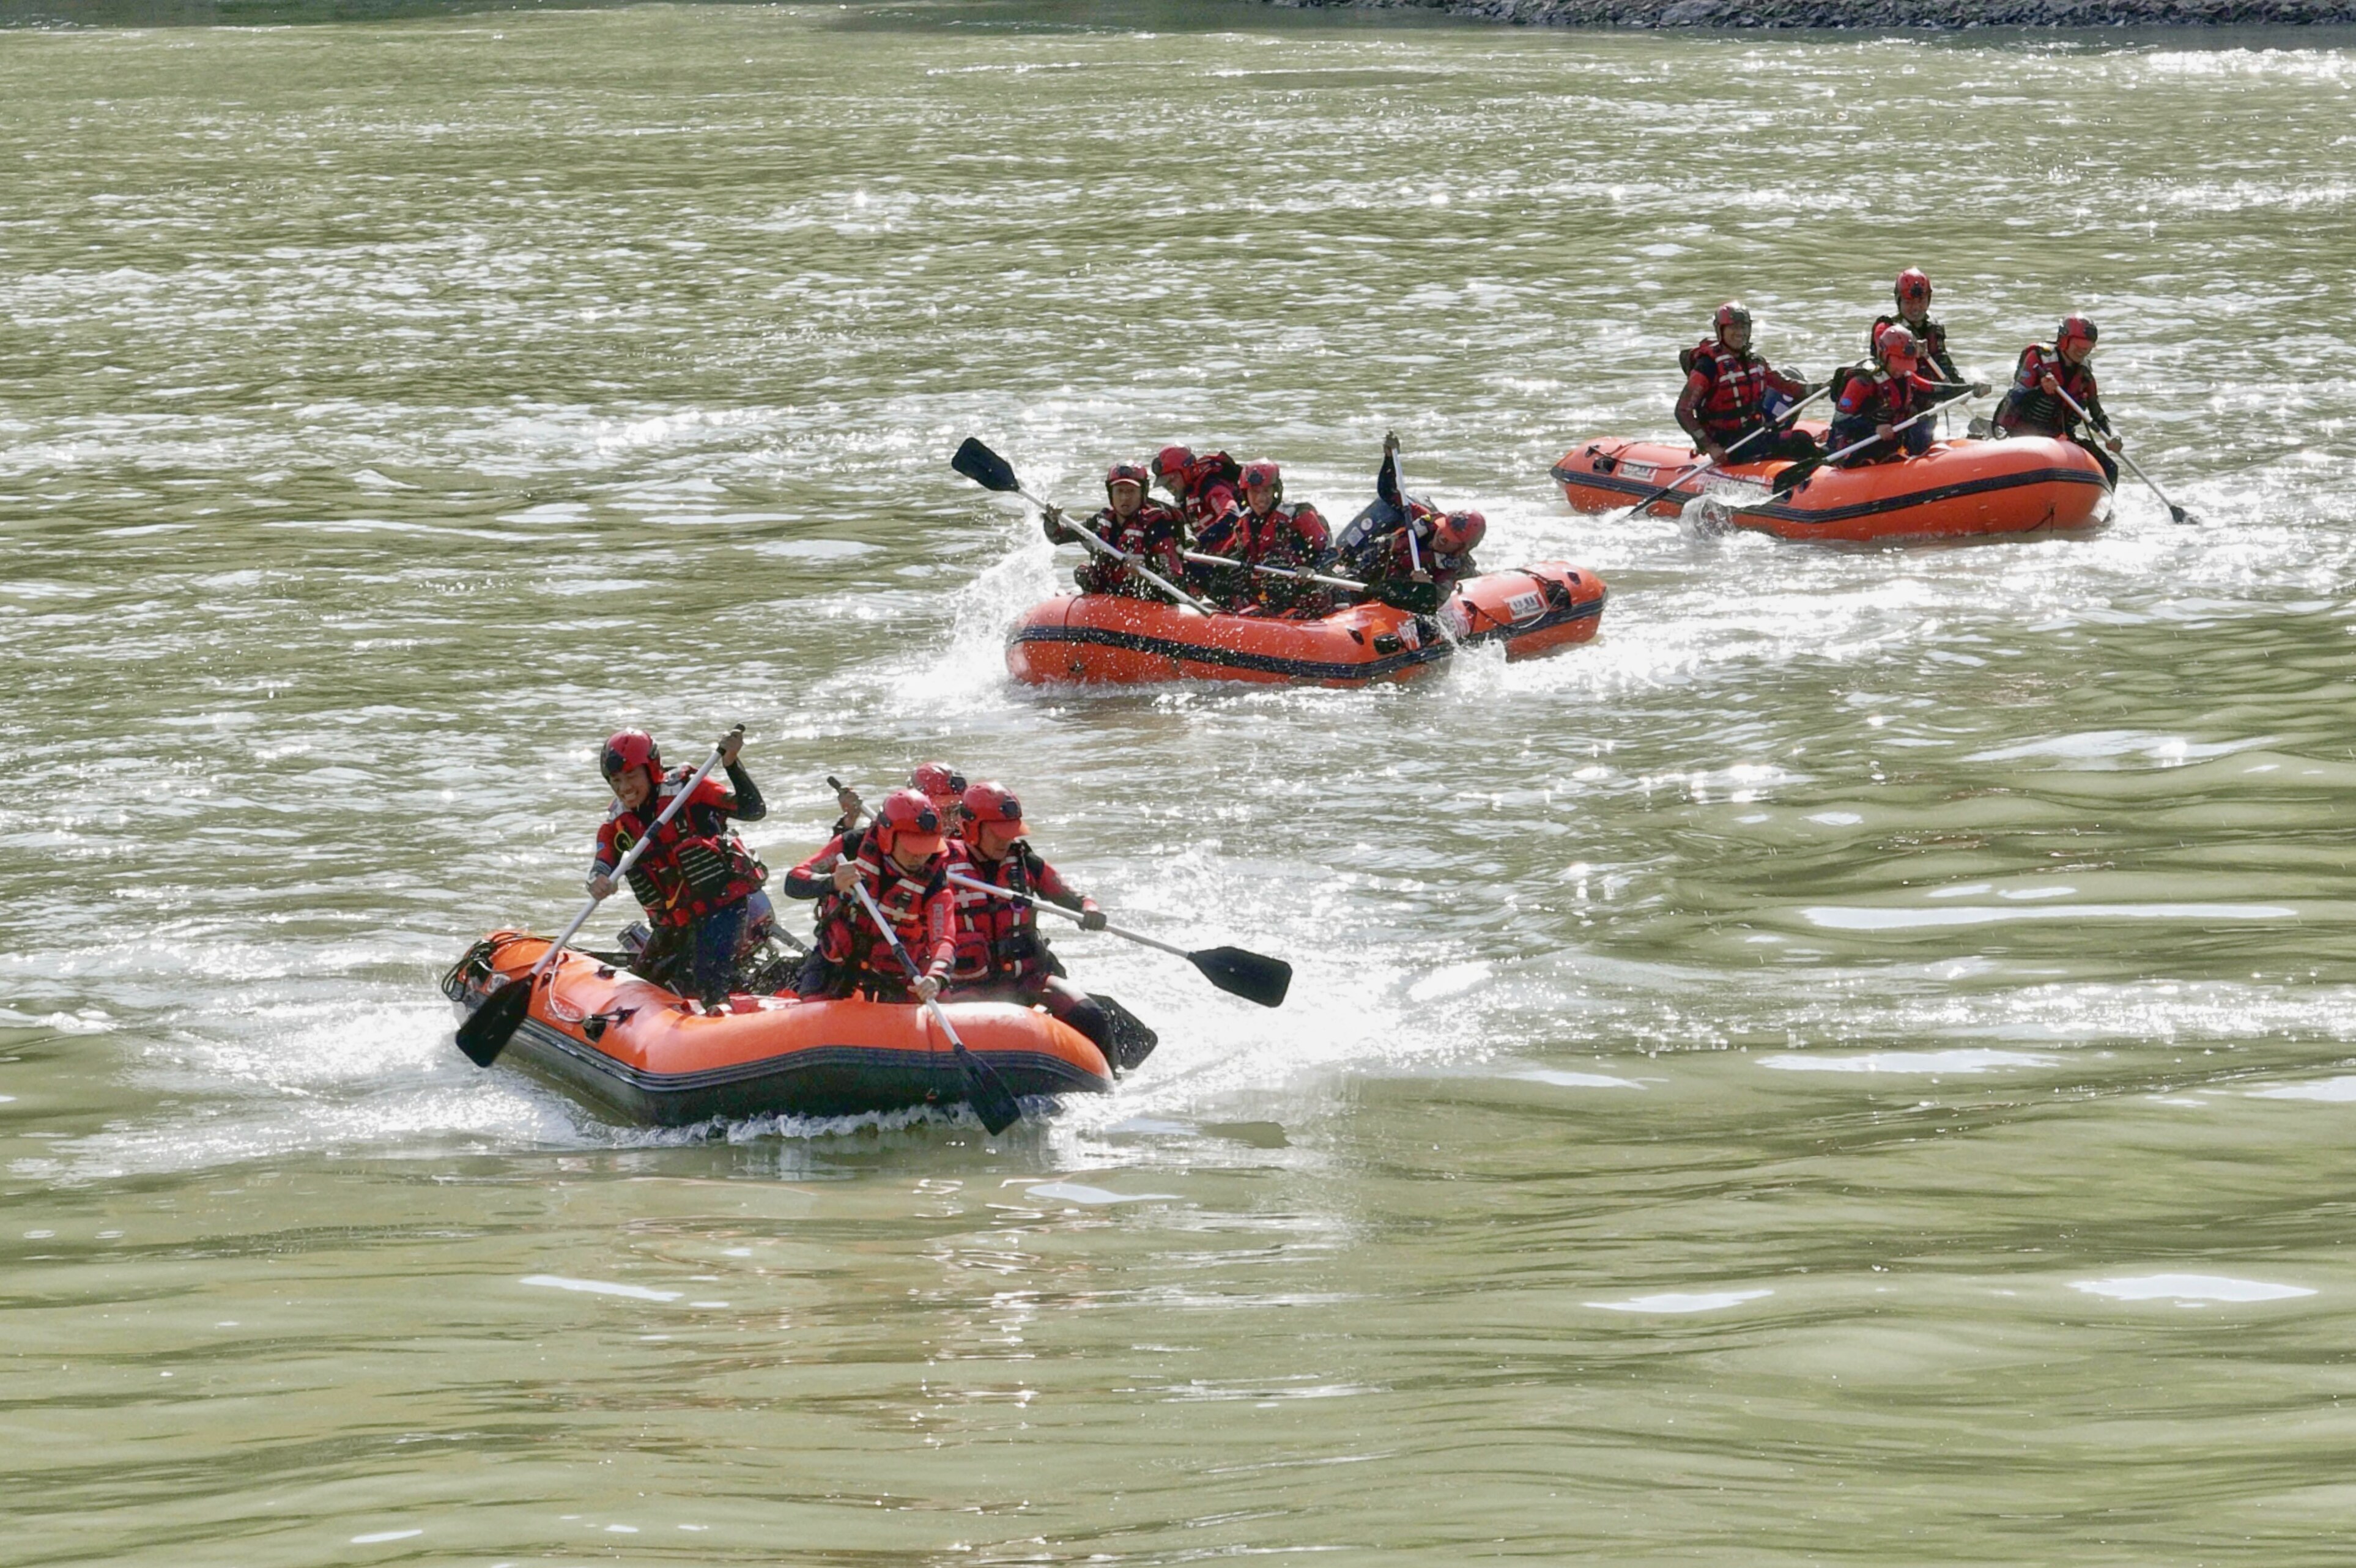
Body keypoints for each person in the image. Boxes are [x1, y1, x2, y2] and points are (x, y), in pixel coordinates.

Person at [943, 780, 1150, 1067]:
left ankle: (1109, 1077)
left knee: (1090, 1015)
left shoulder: (1025, 862)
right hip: (966, 987)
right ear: (971, 827)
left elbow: (1074, 899)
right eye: (998, 833)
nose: (1006, 841)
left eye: (1011, 832)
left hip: (1028, 980)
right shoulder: (940, 864)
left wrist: (1089, 909)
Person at [588, 727, 769, 1004]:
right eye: (616, 780)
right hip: (675, 921)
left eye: (632, 776)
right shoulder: (618, 822)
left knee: (708, 982)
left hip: (722, 908)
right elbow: (603, 861)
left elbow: (753, 810)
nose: (625, 788)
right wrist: (598, 880)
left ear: (651, 770)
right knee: (644, 985)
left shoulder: (689, 790)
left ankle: (722, 1008)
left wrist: (731, 764)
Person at [792, 788, 957, 1002]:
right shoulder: (851, 845)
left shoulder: (934, 880)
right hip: (837, 962)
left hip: (896, 973)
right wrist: (832, 882)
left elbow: (943, 939)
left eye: (926, 848)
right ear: (888, 836)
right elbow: (793, 881)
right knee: (813, 1003)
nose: (919, 856)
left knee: (941, 999)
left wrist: (936, 977)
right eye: (911, 848)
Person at [1335, 434, 1485, 601]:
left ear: (1462, 548)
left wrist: (1427, 588)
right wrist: (1390, 459)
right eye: (1444, 529)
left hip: (1392, 591)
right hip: (1373, 568)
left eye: (1451, 538)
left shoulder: (1452, 569)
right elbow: (1388, 492)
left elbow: (1438, 601)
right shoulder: (1424, 519)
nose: (1442, 537)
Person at [1676, 302, 1822, 467]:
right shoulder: (1708, 366)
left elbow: (1788, 386)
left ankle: (1825, 461)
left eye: (1744, 327)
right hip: (1728, 444)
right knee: (1800, 439)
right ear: (1720, 330)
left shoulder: (1755, 361)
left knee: (1799, 436)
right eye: (1734, 327)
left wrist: (1821, 388)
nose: (1740, 333)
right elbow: (1683, 411)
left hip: (1753, 434)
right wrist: (1709, 446)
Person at [1995, 314, 2123, 484]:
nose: (2083, 351)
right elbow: (2014, 399)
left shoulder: (2085, 374)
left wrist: (2114, 436)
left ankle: (2101, 502)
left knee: (2110, 468)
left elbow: (2098, 415)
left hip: (2061, 438)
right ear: (2064, 341)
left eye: (2087, 348)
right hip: (2025, 434)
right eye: (2078, 346)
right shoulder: (2038, 359)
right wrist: (2042, 390)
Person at [1193, 459, 1332, 616]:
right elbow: (1226, 557)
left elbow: (1332, 553)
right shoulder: (1244, 522)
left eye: (1266, 491)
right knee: (1222, 579)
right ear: (1245, 493)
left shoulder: (1299, 516)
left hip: (1303, 594)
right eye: (1255, 492)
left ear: (1276, 491)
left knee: (1275, 565)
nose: (1260, 499)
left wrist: (1314, 570)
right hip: (1266, 596)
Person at [1042, 462, 1188, 598]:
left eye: (1131, 491)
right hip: (1109, 595)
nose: (1125, 498)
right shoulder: (1101, 521)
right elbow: (1057, 537)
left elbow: (1176, 580)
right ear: (1111, 494)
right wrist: (1052, 521)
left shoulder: (1157, 526)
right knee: (1084, 573)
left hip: (1145, 597)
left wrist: (1142, 574)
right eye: (1119, 491)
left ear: (1143, 493)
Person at [1824, 325, 1961, 467]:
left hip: (1888, 445)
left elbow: (1936, 390)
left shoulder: (1907, 377)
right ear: (1884, 356)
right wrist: (1874, 428)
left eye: (1906, 364)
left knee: (1926, 417)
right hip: (1858, 447)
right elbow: (1840, 419)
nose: (1901, 370)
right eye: (1898, 364)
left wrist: (1968, 389)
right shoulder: (1862, 382)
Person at [1870, 268, 1963, 385]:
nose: (1916, 308)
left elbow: (1944, 363)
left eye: (1921, 301)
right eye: (1908, 302)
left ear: (1929, 300)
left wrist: (1962, 387)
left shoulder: (1933, 328)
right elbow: (1890, 365)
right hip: (1892, 388)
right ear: (1899, 301)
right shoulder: (1885, 328)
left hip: (1927, 389)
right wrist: (1913, 352)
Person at [1150, 445, 1242, 534]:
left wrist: (1203, 540)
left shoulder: (1211, 486)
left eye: (1171, 480)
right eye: (1165, 484)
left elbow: (1232, 514)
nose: (1169, 487)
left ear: (1186, 471)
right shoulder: (1184, 495)